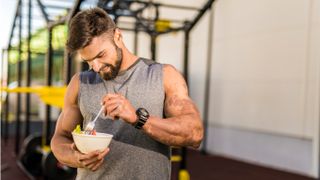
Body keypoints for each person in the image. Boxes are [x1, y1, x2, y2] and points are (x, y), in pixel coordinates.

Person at [51, 7, 203, 180]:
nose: (96, 67)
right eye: (88, 61)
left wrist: (138, 119)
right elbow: (60, 138)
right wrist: (76, 158)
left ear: (117, 36)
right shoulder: (80, 83)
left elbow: (195, 133)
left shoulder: (164, 75)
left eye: (101, 55)